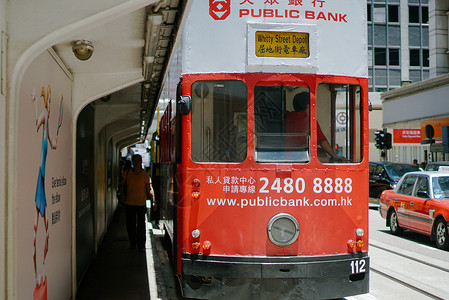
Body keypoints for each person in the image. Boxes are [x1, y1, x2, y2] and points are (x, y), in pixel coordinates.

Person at [285, 92, 344, 162]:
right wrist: (335, 156)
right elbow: (322, 141)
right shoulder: (309, 120)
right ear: (308, 106)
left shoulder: (288, 117)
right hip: (300, 158)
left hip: (285, 157)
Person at [121, 154, 155, 251]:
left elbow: (150, 189)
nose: (135, 163)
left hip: (141, 204)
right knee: (130, 226)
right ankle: (133, 244)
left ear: (141, 162)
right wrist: (123, 197)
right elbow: (122, 185)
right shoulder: (127, 173)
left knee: (141, 226)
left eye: (137, 161)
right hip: (129, 203)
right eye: (134, 161)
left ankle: (141, 246)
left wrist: (154, 201)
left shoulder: (145, 175)